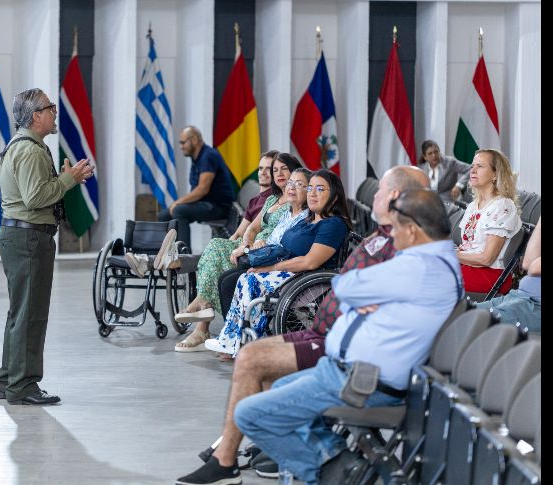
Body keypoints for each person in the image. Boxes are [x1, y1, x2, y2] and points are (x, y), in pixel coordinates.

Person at [174, 165, 429, 485]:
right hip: (330, 332)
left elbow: (358, 289)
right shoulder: (383, 237)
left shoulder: (410, 248)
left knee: (255, 365)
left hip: (350, 354)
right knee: (255, 356)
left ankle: (260, 459)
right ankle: (274, 451)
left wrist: (354, 294)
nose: (371, 195)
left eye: (378, 191)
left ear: (394, 196)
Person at [232, 189, 461, 485]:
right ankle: (335, 463)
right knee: (281, 387)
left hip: (362, 381)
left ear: (413, 231)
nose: (392, 236)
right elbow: (347, 285)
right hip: (349, 372)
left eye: (396, 228)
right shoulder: (431, 262)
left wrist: (361, 291)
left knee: (249, 413)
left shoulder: (419, 267)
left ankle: (332, 469)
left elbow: (345, 286)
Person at [0, 88, 93, 406]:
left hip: (20, 237)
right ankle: (22, 386)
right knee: (30, 314)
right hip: (29, 239)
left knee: (19, 313)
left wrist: (65, 179)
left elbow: (34, 191)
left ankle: (9, 378)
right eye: (50, 108)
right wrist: (69, 180)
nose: (54, 113)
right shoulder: (31, 151)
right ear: (36, 115)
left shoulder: (24, 146)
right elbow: (35, 198)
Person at [203, 168, 351, 358]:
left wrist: (271, 267)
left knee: (250, 280)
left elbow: (310, 261)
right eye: (311, 188)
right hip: (290, 270)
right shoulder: (309, 220)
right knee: (245, 277)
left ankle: (242, 342)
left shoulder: (332, 225)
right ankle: (234, 339)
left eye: (320, 189)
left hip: (304, 277)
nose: (312, 193)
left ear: (335, 196)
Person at [166, 153, 304, 352]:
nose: (279, 174)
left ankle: (201, 307)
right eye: (275, 170)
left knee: (217, 256)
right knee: (215, 246)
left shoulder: (295, 199)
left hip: (267, 248)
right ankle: (203, 308)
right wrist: (244, 244)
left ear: (295, 172)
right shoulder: (273, 198)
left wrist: (249, 247)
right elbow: (253, 227)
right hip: (250, 244)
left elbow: (285, 232)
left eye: (284, 169)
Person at [124, 150, 283, 280]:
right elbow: (239, 232)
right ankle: (151, 260)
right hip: (240, 244)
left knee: (208, 252)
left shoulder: (274, 201)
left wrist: (233, 246)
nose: (263, 173)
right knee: (211, 251)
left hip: (251, 248)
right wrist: (227, 244)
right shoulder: (256, 200)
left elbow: (259, 232)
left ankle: (149, 261)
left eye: (269, 169)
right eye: (260, 168)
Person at [158, 126, 235, 253]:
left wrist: (178, 202)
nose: (181, 146)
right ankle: (165, 255)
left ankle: (184, 257)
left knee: (179, 210)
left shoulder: (208, 156)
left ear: (194, 140)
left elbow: (202, 189)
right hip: (206, 204)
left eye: (183, 142)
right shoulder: (197, 158)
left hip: (219, 207)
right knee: (164, 215)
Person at [457, 149, 521, 295]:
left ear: (495, 174)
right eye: (472, 166)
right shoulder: (473, 205)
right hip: (467, 266)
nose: (472, 170)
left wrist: (451, 255)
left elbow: (487, 259)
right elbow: (468, 245)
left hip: (489, 275)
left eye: (480, 166)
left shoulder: (503, 205)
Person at [474, 216, 541, 333]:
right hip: (520, 296)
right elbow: (528, 263)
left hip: (536, 306)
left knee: (473, 322)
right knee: (463, 313)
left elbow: (534, 268)